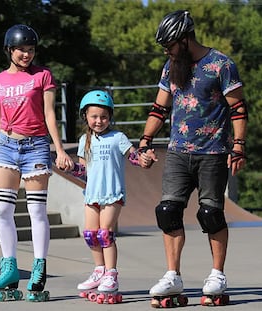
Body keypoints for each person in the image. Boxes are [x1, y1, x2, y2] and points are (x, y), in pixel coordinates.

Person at [138, 10, 247, 304]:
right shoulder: (171, 66)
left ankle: (216, 275)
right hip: (177, 152)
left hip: (213, 152)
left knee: (211, 213)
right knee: (167, 211)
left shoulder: (221, 64)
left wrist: (238, 146)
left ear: (185, 39)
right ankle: (173, 276)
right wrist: (145, 140)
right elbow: (159, 108)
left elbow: (238, 108)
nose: (167, 51)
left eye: (170, 45)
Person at [0, 24, 74, 302]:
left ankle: (38, 268)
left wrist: (58, 149)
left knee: (36, 211)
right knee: (2, 211)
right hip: (5, 148)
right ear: (9, 50)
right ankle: (8, 267)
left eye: (31, 50)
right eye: (22, 49)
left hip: (35, 147)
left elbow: (49, 114)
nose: (26, 54)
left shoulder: (43, 76)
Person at [72, 90, 138, 300]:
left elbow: (133, 156)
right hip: (91, 194)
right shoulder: (85, 140)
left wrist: (144, 158)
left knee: (104, 233)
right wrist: (69, 167)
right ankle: (99, 271)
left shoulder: (118, 137)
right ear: (86, 117)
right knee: (91, 234)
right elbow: (83, 171)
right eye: (94, 116)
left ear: (110, 117)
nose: (99, 121)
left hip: (112, 193)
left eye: (104, 116)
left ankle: (112, 274)